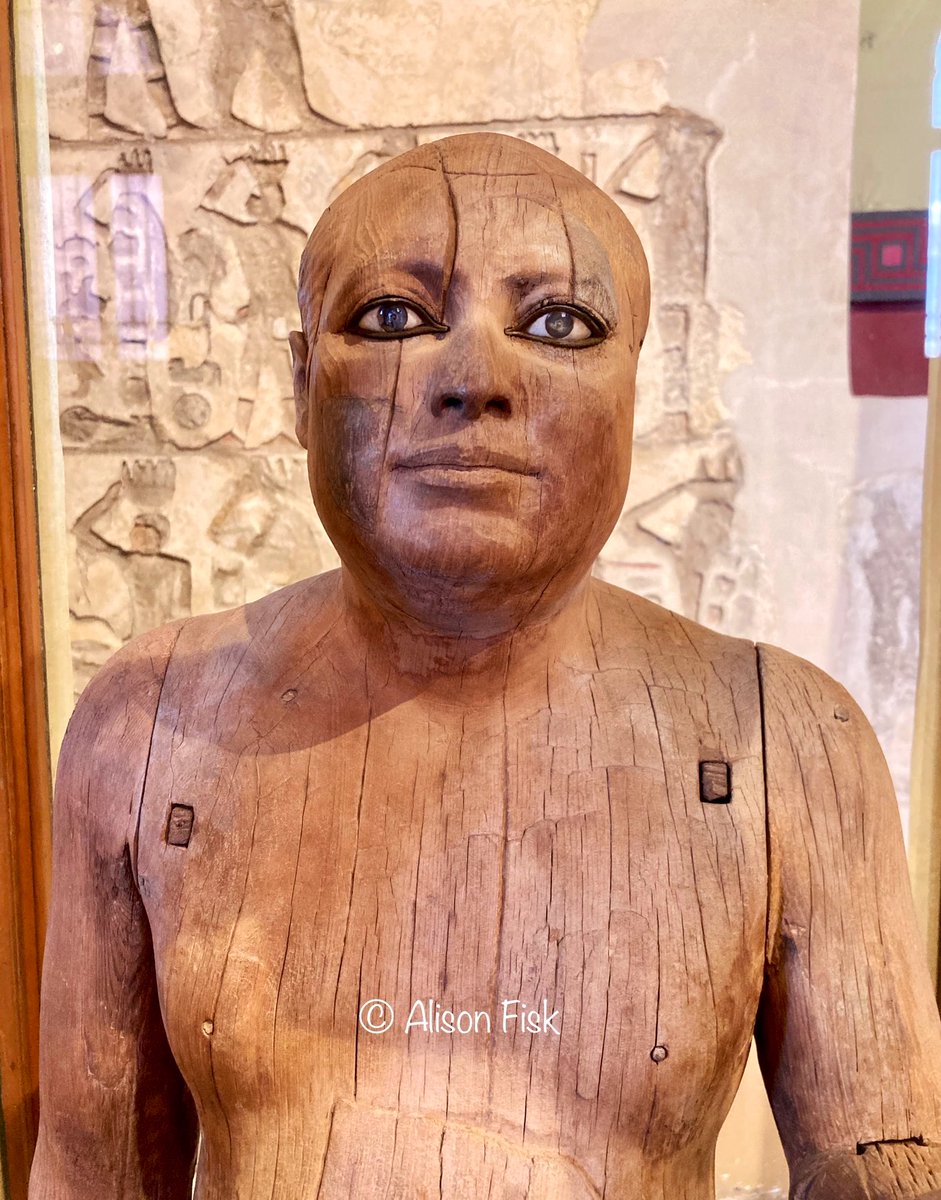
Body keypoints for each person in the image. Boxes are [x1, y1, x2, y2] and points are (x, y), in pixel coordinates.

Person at [29, 132, 941, 1200]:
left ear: (639, 386)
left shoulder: (782, 740)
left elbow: (884, 1160)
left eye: (558, 323)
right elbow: (90, 1172)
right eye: (392, 318)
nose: (470, 379)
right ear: (298, 383)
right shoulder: (150, 722)